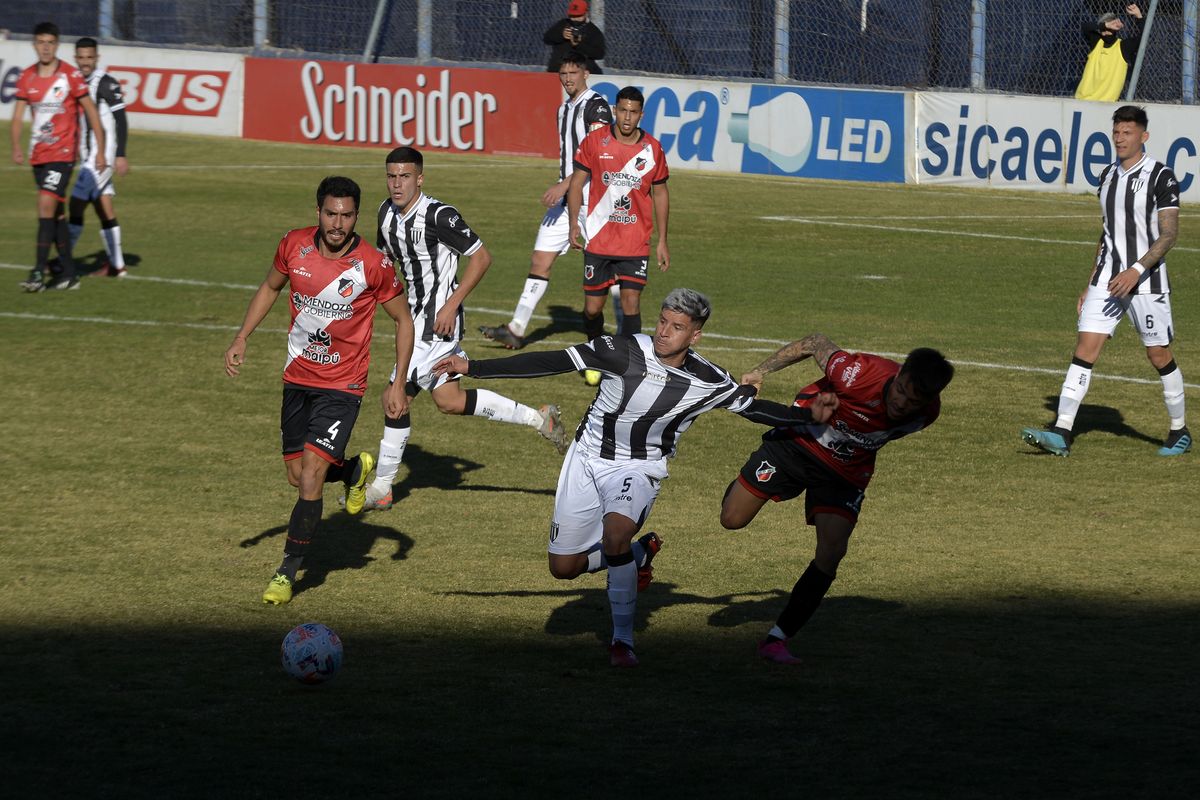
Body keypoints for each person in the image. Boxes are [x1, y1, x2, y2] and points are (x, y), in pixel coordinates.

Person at [433, 288, 839, 667]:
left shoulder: (708, 380)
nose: (663, 332)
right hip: (586, 458)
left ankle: (622, 641)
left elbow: (753, 409)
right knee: (563, 568)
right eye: (662, 321)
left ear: (695, 336)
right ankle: (639, 555)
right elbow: (552, 361)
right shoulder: (620, 351)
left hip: (638, 467)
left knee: (615, 537)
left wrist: (808, 417)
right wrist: (474, 367)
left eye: (677, 327)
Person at [223, 176, 414, 605]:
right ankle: (351, 472)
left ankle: (287, 572)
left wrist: (398, 382)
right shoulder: (293, 246)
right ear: (318, 212)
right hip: (297, 379)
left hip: (343, 386)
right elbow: (271, 287)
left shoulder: (373, 264)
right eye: (331, 214)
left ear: (356, 217)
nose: (338, 223)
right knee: (297, 476)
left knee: (310, 474)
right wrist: (241, 338)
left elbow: (404, 320)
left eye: (347, 216)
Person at [358, 146, 571, 514]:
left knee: (395, 399)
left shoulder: (439, 215)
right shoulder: (385, 213)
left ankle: (382, 487)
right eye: (392, 176)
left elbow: (481, 256)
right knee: (449, 402)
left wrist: (452, 303)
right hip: (411, 320)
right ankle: (539, 418)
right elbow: (384, 263)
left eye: (405, 176)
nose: (397, 183)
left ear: (420, 178)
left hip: (437, 326)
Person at [722, 335, 954, 665]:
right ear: (899, 373)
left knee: (832, 551)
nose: (902, 402)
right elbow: (815, 342)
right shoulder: (860, 374)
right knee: (732, 519)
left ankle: (777, 639)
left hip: (845, 472)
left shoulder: (927, 414)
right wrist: (761, 372)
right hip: (797, 444)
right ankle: (744, 483)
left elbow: (880, 432)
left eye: (912, 400)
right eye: (901, 389)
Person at [1022, 105, 1189, 457]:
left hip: (1146, 281)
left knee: (1158, 354)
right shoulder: (1107, 175)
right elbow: (1108, 232)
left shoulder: (1161, 176)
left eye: (1127, 132)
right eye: (1116, 132)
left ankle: (1179, 431)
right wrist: (1091, 280)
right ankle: (1061, 431)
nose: (1120, 138)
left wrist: (1136, 269)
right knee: (1086, 346)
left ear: (1143, 136)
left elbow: (1169, 234)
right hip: (1107, 278)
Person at [478, 52, 615, 351]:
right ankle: (516, 329)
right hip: (566, 202)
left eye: (573, 72)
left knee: (608, 273)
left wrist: (564, 184)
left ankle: (624, 339)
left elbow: (597, 156)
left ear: (585, 73)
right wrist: (565, 187)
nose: (567, 78)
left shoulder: (597, 107)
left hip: (593, 204)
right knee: (540, 259)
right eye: (563, 73)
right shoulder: (564, 108)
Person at [567, 86, 670, 385]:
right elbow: (576, 184)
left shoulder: (652, 150)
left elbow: (661, 193)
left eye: (633, 112)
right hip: (599, 238)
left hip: (635, 241)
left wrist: (663, 240)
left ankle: (626, 365)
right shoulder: (595, 142)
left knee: (631, 304)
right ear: (615, 110)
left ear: (641, 114)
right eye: (622, 110)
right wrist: (575, 223)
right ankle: (595, 352)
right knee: (592, 308)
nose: (627, 118)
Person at [10, 21, 107, 292]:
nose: (45, 47)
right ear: (34, 45)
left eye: (50, 42)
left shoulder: (70, 76)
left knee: (44, 206)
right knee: (56, 216)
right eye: (41, 42)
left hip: (63, 155)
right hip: (38, 155)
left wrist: (99, 149)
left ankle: (38, 273)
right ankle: (69, 274)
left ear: (56, 45)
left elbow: (90, 112)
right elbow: (17, 116)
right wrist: (16, 145)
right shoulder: (27, 76)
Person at [68, 37, 130, 278]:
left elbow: (121, 119)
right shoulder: (75, 82)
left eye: (89, 57)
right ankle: (117, 266)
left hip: (100, 158)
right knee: (104, 207)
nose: (85, 62)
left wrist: (120, 154)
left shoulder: (105, 83)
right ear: (76, 58)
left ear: (97, 58)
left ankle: (63, 260)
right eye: (81, 58)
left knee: (76, 205)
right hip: (88, 158)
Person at [1075, 4, 1143, 102]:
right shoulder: (1097, 42)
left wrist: (1138, 16)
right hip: (1083, 99)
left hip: (1107, 103)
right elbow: (1084, 27)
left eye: (1111, 27)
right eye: (1105, 27)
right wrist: (1105, 25)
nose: (1107, 30)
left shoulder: (1123, 46)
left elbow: (1143, 37)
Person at [544, 1, 605, 74]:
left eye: (579, 16)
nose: (575, 19)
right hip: (559, 68)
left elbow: (599, 54)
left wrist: (579, 44)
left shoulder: (593, 31)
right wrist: (561, 35)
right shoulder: (563, 24)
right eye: (572, 16)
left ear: (586, 13)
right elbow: (547, 38)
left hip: (582, 70)